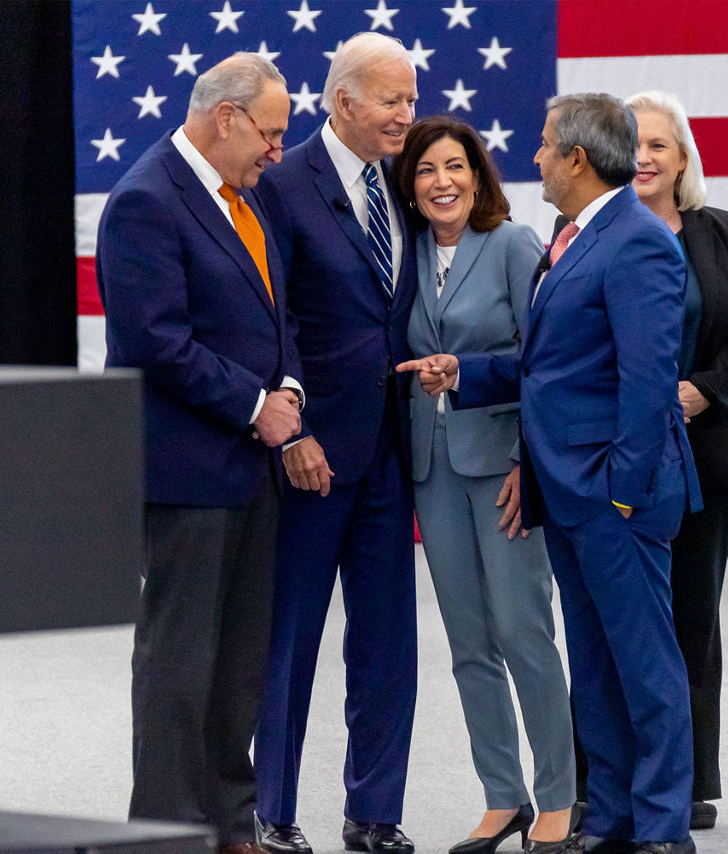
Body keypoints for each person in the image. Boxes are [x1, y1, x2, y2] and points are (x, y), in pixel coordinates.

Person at [399, 93, 701, 854]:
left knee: (645, 663)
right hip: (568, 492)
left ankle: (664, 827)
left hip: (615, 495)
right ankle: (613, 817)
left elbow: (647, 383)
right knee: (595, 666)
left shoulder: (638, 241)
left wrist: (625, 491)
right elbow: (545, 368)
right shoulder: (571, 240)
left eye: (542, 146)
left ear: (575, 157)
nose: (532, 158)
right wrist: (462, 371)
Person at [96, 53, 301, 854]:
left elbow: (270, 319)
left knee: (239, 660)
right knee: (180, 664)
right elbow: (153, 341)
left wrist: (286, 391)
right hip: (186, 472)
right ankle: (168, 831)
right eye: (272, 133)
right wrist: (257, 406)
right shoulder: (146, 201)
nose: (279, 151)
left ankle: (228, 821)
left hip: (249, 469)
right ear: (227, 118)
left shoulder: (245, 200)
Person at [250, 32, 418, 854]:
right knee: (291, 640)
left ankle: (374, 812)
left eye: (411, 101)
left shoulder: (405, 185)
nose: (405, 115)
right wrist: (295, 431)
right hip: (313, 454)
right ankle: (271, 812)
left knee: (387, 643)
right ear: (343, 101)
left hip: (394, 450)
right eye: (392, 100)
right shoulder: (283, 186)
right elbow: (269, 316)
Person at [389, 116, 575, 854]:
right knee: (468, 643)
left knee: (524, 632)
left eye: (455, 167)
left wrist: (532, 464)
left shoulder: (512, 247)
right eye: (427, 169)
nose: (442, 182)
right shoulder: (402, 255)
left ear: (478, 175)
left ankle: (560, 794)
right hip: (432, 469)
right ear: (411, 185)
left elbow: (546, 362)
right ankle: (504, 797)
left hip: (502, 467)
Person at [623, 90, 728, 831]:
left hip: (706, 455)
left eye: (658, 144)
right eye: (633, 144)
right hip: (620, 462)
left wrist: (704, 392)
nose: (644, 157)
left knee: (692, 619)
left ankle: (691, 777)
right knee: (622, 621)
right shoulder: (585, 231)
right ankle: (612, 780)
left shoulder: (720, 231)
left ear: (683, 158)